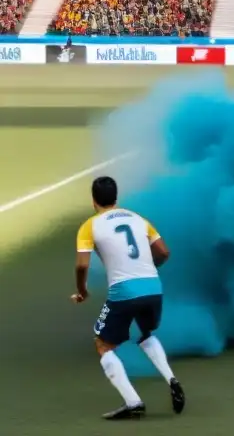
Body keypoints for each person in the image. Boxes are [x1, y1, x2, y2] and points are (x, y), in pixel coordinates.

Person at [71, 176, 186, 420]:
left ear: (93, 200)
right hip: (153, 287)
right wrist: (147, 270)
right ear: (116, 197)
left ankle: (134, 403)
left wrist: (82, 291)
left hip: (124, 291)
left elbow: (82, 266)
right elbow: (164, 252)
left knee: (102, 344)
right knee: (146, 333)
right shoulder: (138, 218)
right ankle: (171, 379)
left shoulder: (89, 226)